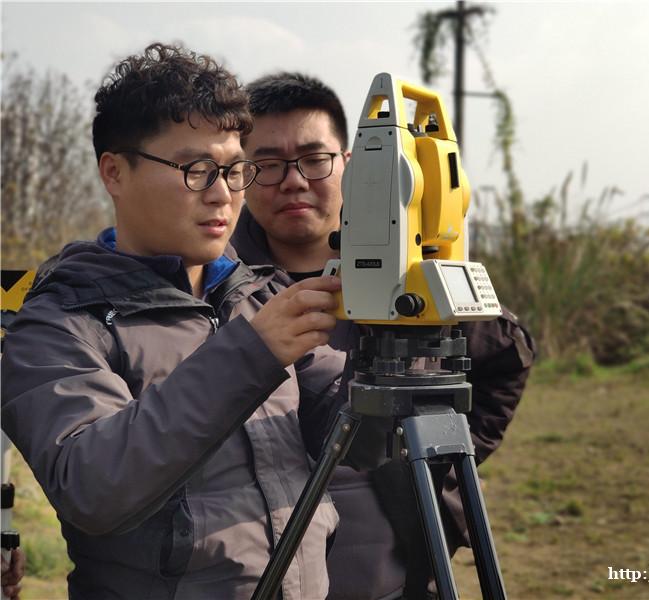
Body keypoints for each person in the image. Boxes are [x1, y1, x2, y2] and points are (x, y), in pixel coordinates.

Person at [1, 45, 349, 600]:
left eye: (236, 170)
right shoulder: (60, 322)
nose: (223, 194)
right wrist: (249, 355)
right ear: (114, 172)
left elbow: (356, 436)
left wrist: (401, 359)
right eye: (196, 169)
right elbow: (93, 486)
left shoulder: (253, 295)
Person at [233, 72, 536, 599]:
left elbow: (509, 352)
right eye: (267, 164)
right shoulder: (215, 284)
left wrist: (441, 458)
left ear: (351, 166)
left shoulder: (410, 278)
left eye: (313, 158)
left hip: (400, 575)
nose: (294, 180)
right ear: (240, 172)